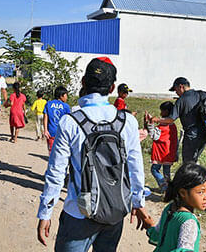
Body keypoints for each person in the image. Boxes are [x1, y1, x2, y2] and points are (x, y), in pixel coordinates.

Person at [37, 57, 146, 251]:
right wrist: (138, 202)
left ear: (83, 82)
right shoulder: (127, 121)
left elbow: (56, 172)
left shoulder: (70, 121)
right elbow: (136, 166)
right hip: (115, 211)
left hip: (78, 213)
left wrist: (45, 212)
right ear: (112, 88)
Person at [138, 163, 206, 252]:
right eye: (200, 192)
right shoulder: (189, 221)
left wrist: (150, 226)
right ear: (183, 193)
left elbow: (160, 237)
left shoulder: (170, 208)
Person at [151, 77, 206, 163]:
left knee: (188, 163)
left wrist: (157, 119)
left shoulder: (181, 100)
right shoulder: (201, 94)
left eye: (175, 89)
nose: (176, 92)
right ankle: (196, 174)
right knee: (194, 159)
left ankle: (192, 175)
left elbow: (171, 120)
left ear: (181, 86)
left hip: (192, 134)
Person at [145, 101, 178, 192]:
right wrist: (176, 153)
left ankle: (164, 186)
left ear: (166, 111)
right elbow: (176, 141)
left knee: (154, 170)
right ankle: (169, 189)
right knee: (166, 172)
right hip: (170, 153)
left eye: (162, 111)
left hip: (161, 153)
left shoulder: (162, 127)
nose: (160, 113)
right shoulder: (173, 126)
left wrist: (150, 124)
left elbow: (154, 136)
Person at [43, 86, 71, 152]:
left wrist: (45, 130)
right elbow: (68, 120)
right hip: (62, 133)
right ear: (61, 96)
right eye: (66, 95)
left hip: (51, 132)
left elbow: (45, 117)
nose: (67, 97)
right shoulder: (66, 106)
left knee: (51, 151)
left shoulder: (48, 104)